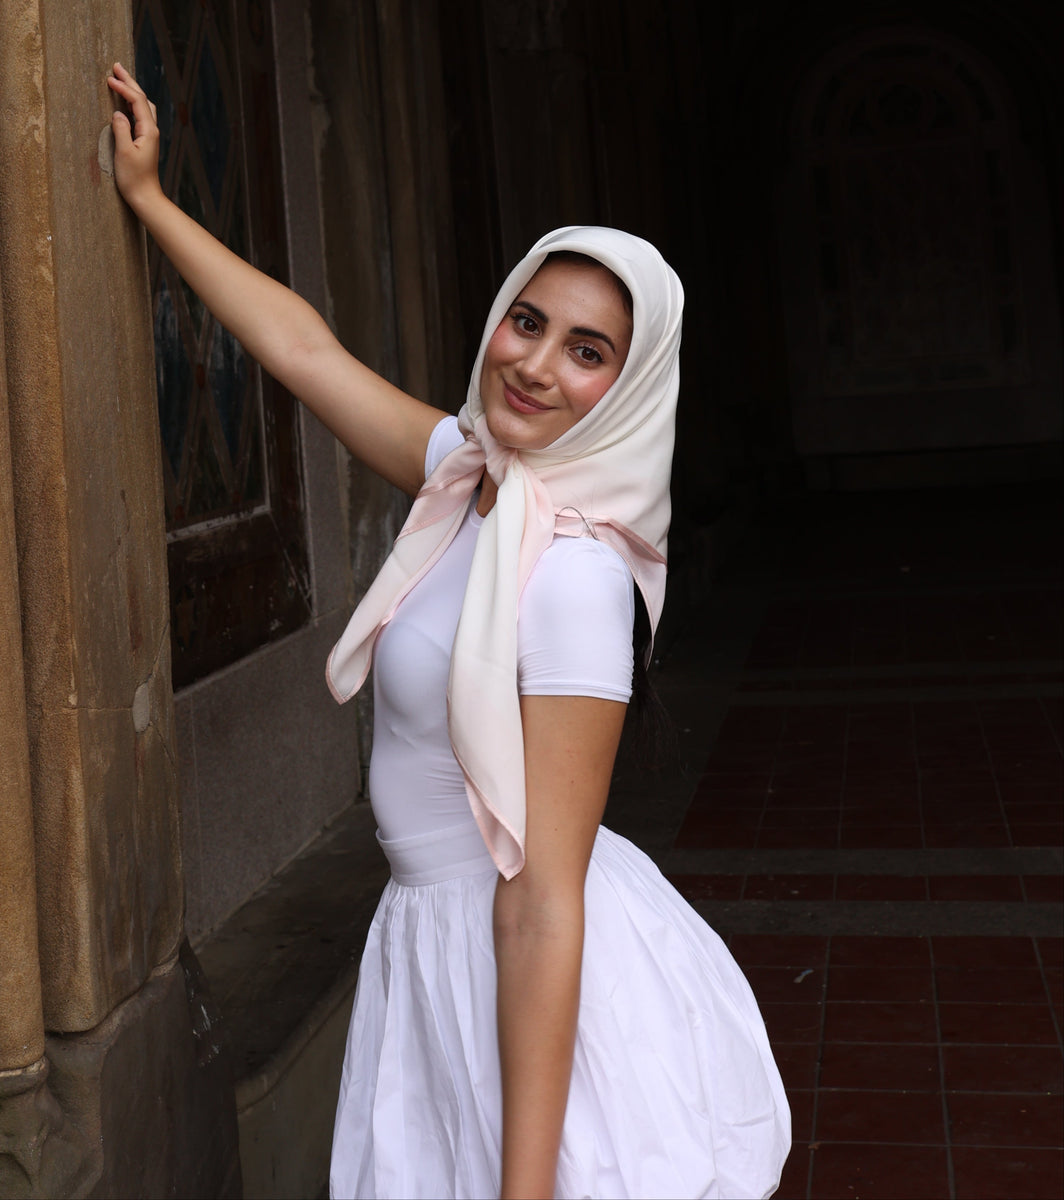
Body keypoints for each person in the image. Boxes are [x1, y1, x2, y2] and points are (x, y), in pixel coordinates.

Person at [108, 62, 790, 1200]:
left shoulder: (573, 571)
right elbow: (309, 355)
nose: (532, 362)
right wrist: (152, 200)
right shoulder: (471, 478)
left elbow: (540, 897)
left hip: (519, 967)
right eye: (528, 321)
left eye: (587, 351)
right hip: (434, 943)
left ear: (629, 391)